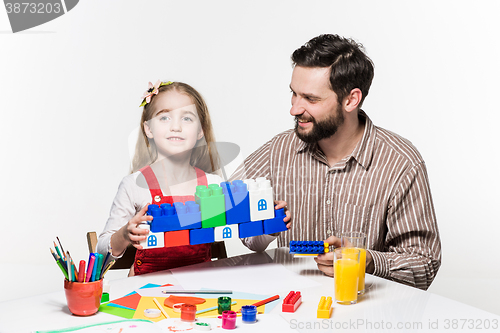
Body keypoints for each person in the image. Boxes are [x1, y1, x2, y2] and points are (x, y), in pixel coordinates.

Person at [232, 34, 441, 290]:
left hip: (367, 313)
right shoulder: (278, 150)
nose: (294, 109)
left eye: (311, 99)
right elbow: (234, 224)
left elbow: (424, 265)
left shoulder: (401, 163)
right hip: (290, 311)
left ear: (351, 100)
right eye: (293, 94)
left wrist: (364, 261)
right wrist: (266, 227)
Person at [96, 80, 224, 275]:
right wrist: (124, 234)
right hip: (145, 291)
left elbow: (253, 242)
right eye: (164, 117)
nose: (176, 127)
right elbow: (101, 252)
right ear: (148, 129)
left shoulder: (215, 186)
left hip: (200, 289)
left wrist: (272, 224)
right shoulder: (134, 185)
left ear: (200, 131)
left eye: (187, 118)